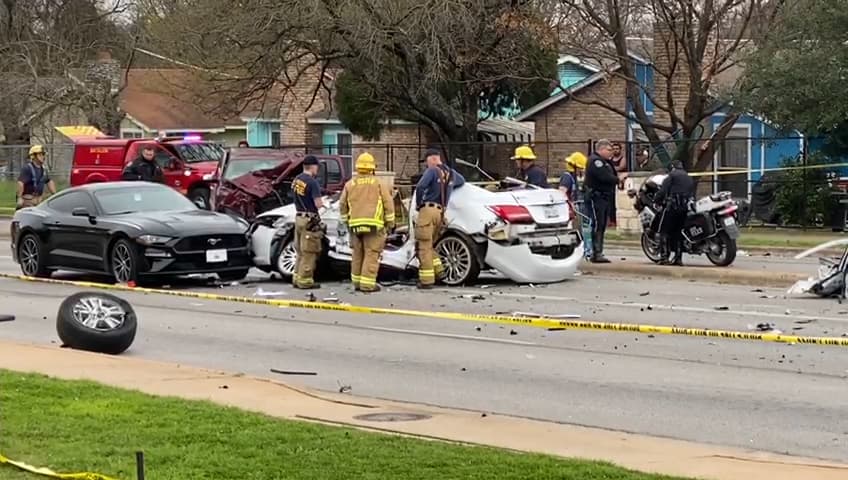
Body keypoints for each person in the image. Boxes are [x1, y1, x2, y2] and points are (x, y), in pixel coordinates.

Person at [338, 152, 395, 293]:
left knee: (357, 254)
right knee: (371, 253)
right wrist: (390, 223)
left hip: (355, 226)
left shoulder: (350, 184)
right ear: (372, 168)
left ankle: (357, 283)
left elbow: (342, 204)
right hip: (374, 226)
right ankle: (367, 284)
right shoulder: (378, 183)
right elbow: (388, 204)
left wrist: (347, 222)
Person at [414, 148, 465, 289]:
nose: (426, 165)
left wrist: (419, 205)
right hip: (441, 214)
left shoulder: (432, 171)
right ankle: (440, 271)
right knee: (430, 245)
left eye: (426, 162)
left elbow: (420, 187)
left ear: (431, 159)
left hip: (428, 211)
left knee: (423, 246)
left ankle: (427, 281)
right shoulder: (451, 173)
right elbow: (462, 181)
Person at [584, 139, 624, 263]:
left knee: (602, 224)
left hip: (604, 197)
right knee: (597, 224)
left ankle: (598, 251)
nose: (611, 152)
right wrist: (618, 179)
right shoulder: (596, 161)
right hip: (596, 197)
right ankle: (596, 253)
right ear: (601, 149)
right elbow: (604, 177)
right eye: (609, 150)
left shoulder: (605, 162)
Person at [291, 155, 325, 289]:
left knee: (300, 250)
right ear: (313, 166)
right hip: (309, 220)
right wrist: (324, 205)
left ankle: (296, 277)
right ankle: (305, 281)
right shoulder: (312, 182)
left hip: (298, 217)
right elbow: (318, 204)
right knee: (309, 251)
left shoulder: (297, 180)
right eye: (317, 166)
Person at [654, 160, 695, 266]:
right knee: (678, 233)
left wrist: (657, 200)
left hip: (671, 207)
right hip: (684, 208)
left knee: (664, 231)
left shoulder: (671, 176)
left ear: (672, 167)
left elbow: (663, 191)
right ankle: (678, 258)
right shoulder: (688, 177)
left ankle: (664, 257)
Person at [16, 145, 56, 209]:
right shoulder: (27, 168)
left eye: (43, 155)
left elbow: (49, 181)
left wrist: (55, 195)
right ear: (33, 156)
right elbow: (20, 183)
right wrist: (19, 198)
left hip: (39, 202)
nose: (43, 157)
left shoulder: (44, 169)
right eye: (41, 155)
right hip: (28, 201)